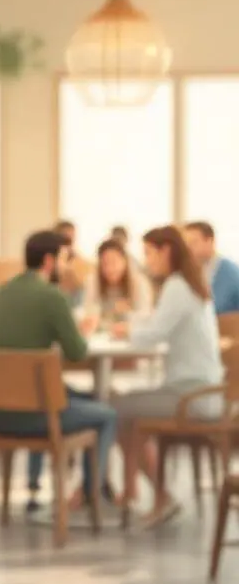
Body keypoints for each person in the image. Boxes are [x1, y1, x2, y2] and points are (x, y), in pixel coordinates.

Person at [0, 230, 115, 513]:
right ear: (49, 261)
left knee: (52, 392)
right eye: (65, 260)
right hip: (39, 416)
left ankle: (34, 485)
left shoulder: (1, 294)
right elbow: (77, 352)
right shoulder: (52, 297)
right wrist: (78, 330)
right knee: (106, 413)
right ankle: (90, 497)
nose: (67, 267)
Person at [110, 225, 224, 527]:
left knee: (117, 408)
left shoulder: (177, 286)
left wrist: (126, 330)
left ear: (166, 251)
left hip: (192, 396)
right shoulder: (189, 284)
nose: (146, 261)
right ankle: (139, 490)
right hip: (205, 391)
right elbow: (160, 323)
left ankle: (154, 494)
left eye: (149, 253)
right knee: (126, 407)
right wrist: (133, 323)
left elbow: (155, 333)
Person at [83, 238, 153, 324]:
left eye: (114, 262)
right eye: (105, 264)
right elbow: (88, 311)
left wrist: (125, 314)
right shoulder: (93, 280)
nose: (110, 269)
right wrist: (113, 310)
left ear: (125, 261)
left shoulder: (139, 282)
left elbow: (145, 316)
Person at [183, 221, 239, 315]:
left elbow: (215, 308)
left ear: (210, 241)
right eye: (186, 244)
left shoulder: (230, 273)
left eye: (193, 242)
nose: (188, 248)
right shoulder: (194, 270)